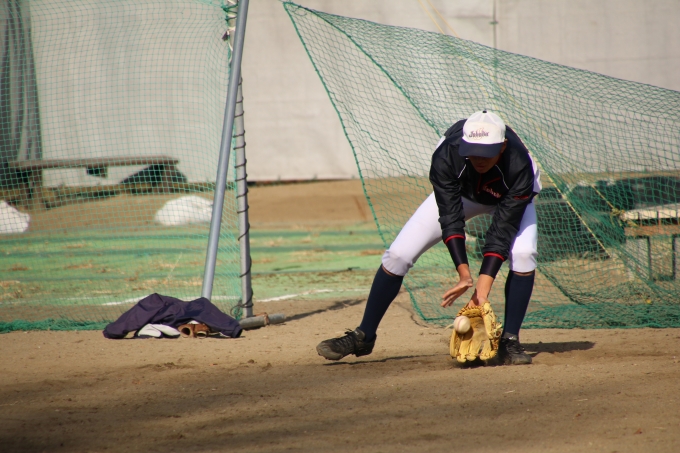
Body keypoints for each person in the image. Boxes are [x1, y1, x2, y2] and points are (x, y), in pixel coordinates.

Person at [316, 110, 541, 365]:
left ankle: (510, 341)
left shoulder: (520, 165)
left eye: (486, 153)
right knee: (398, 255)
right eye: (472, 151)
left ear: (502, 147)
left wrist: (481, 292)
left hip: (508, 198)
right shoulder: (447, 155)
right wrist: (464, 273)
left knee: (524, 254)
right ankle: (363, 336)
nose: (478, 159)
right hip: (463, 196)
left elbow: (502, 230)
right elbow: (450, 217)